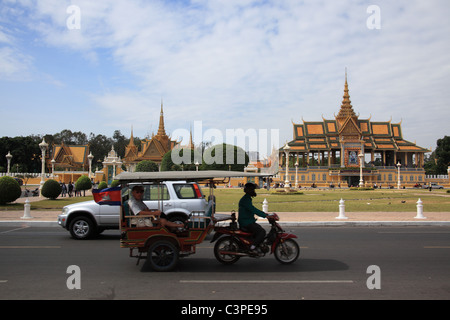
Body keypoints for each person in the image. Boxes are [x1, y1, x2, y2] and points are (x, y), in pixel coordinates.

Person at [238, 182, 268, 252]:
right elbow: (253, 209)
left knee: (258, 230)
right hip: (246, 222)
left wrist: (264, 214)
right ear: (248, 190)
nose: (253, 191)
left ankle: (255, 244)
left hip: (248, 220)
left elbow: (252, 209)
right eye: (252, 190)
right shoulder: (245, 200)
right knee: (262, 232)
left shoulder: (247, 198)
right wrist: (265, 215)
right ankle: (252, 247)